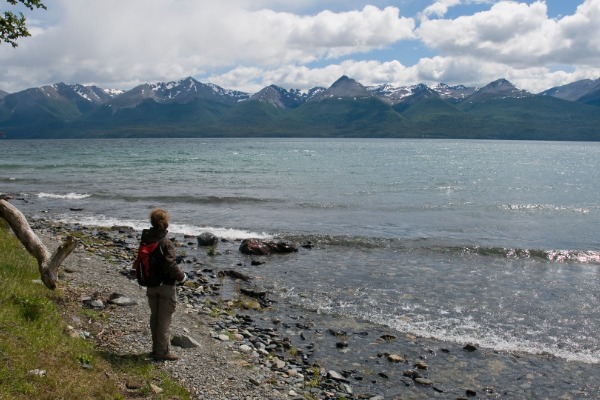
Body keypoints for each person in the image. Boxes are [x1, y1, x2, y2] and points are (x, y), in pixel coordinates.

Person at [140, 208, 187, 361]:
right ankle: (162, 352)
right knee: (164, 320)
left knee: (155, 317)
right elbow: (170, 264)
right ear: (165, 223)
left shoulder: (146, 239)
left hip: (150, 284)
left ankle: (156, 349)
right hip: (165, 286)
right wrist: (182, 277)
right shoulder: (166, 243)